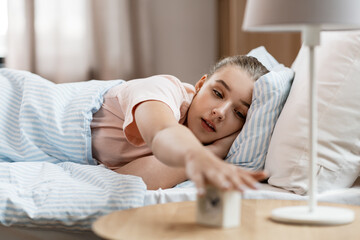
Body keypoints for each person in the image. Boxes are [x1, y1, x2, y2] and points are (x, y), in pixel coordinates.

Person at [90, 55, 269, 195]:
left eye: (238, 114)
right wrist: (198, 156)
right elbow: (161, 132)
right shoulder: (163, 89)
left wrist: (214, 152)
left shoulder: (200, 146)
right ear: (200, 85)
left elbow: (129, 180)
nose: (220, 112)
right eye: (217, 93)